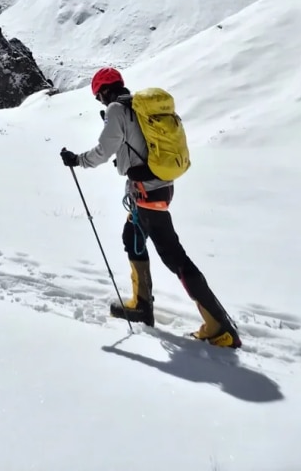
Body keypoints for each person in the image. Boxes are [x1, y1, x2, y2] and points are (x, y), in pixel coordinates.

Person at [60, 67, 241, 348]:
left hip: (146, 193)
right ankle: (142, 306)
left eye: (98, 96)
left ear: (105, 91)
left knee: (174, 257)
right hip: (157, 188)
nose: (100, 101)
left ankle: (219, 327)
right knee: (131, 237)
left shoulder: (118, 111)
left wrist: (77, 160)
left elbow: (103, 151)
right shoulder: (139, 108)